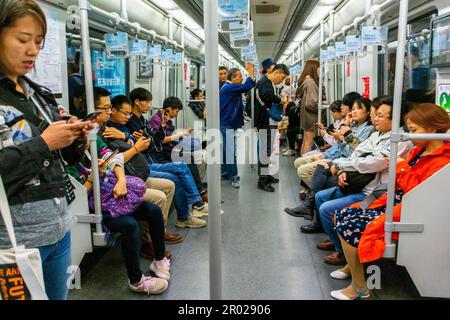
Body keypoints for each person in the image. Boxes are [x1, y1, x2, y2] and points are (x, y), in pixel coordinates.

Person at [0, 0, 93, 300]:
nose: (33, 51)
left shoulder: (38, 95)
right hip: (16, 241)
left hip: (58, 229)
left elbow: (63, 159)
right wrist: (45, 142)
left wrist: (75, 138)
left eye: (38, 42)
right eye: (23, 40)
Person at [330, 103, 450, 300]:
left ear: (433, 128)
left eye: (414, 131)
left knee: (350, 224)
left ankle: (360, 287)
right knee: (344, 213)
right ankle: (352, 267)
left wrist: (401, 168)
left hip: (412, 211)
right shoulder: (419, 152)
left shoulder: (442, 162)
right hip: (398, 202)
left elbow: (420, 196)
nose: (410, 136)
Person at [312, 98, 413, 264]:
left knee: (326, 208)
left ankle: (343, 252)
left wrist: (344, 164)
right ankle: (337, 240)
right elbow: (358, 153)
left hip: (375, 193)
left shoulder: (401, 141)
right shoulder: (375, 134)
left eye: (380, 115)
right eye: (375, 114)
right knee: (320, 196)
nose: (376, 119)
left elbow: (376, 162)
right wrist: (344, 169)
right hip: (358, 179)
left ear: (395, 120)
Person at [125, 88, 210, 228]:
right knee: (182, 166)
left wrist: (161, 128)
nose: (149, 105)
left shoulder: (143, 121)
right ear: (137, 102)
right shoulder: (132, 123)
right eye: (147, 102)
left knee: (185, 165)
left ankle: (191, 209)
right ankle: (197, 203)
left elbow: (153, 140)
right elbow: (153, 144)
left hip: (149, 159)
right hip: (147, 163)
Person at [254, 64, 290, 192]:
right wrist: (280, 101)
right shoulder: (265, 83)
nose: (282, 80)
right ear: (278, 73)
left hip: (267, 120)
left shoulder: (266, 81)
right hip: (265, 121)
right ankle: (262, 181)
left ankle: (265, 175)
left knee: (267, 149)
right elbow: (267, 96)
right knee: (265, 150)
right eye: (283, 77)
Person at [220, 63, 256, 188]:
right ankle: (234, 176)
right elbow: (247, 87)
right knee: (230, 149)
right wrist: (250, 71)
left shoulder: (230, 88)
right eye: (239, 76)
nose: (241, 78)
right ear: (233, 78)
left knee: (227, 148)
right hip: (226, 122)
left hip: (229, 121)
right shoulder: (228, 88)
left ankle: (225, 171)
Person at [296, 60, 320, 155]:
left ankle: (301, 163)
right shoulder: (311, 83)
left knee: (305, 142)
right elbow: (311, 103)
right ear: (313, 68)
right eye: (318, 67)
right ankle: (305, 164)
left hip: (305, 116)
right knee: (309, 143)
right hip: (311, 117)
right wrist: (321, 104)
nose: (319, 70)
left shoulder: (305, 81)